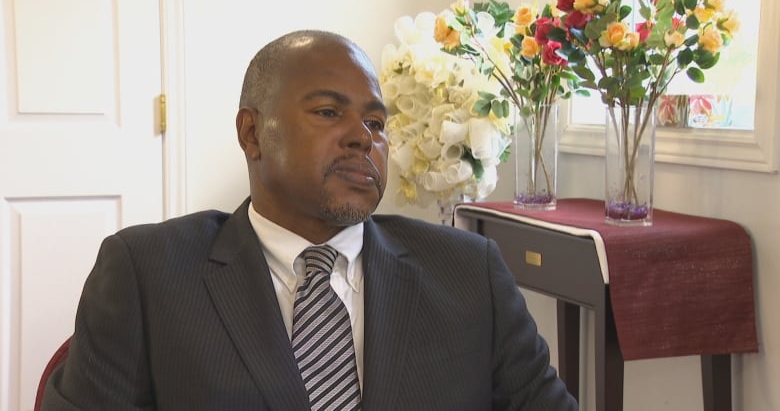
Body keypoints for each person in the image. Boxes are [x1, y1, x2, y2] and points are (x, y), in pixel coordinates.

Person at [41, 29, 578, 410]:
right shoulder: (147, 273)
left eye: (375, 122)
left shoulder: (469, 272)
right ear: (252, 133)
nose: (362, 137)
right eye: (328, 112)